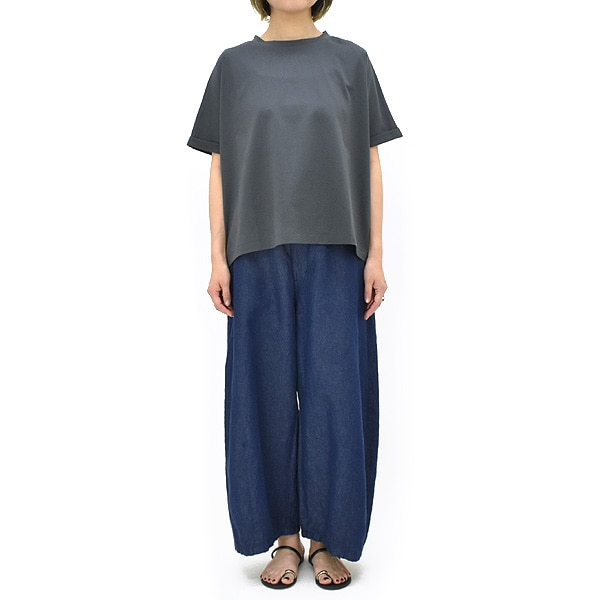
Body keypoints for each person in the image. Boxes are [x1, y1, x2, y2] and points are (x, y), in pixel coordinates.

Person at [187, 0, 403, 590]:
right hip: (255, 251)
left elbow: (370, 160)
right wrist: (217, 257)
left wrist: (376, 254)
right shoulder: (234, 67)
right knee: (263, 395)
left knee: (338, 396)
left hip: (340, 250)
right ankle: (283, 537)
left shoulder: (351, 62)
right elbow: (219, 165)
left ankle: (328, 538)